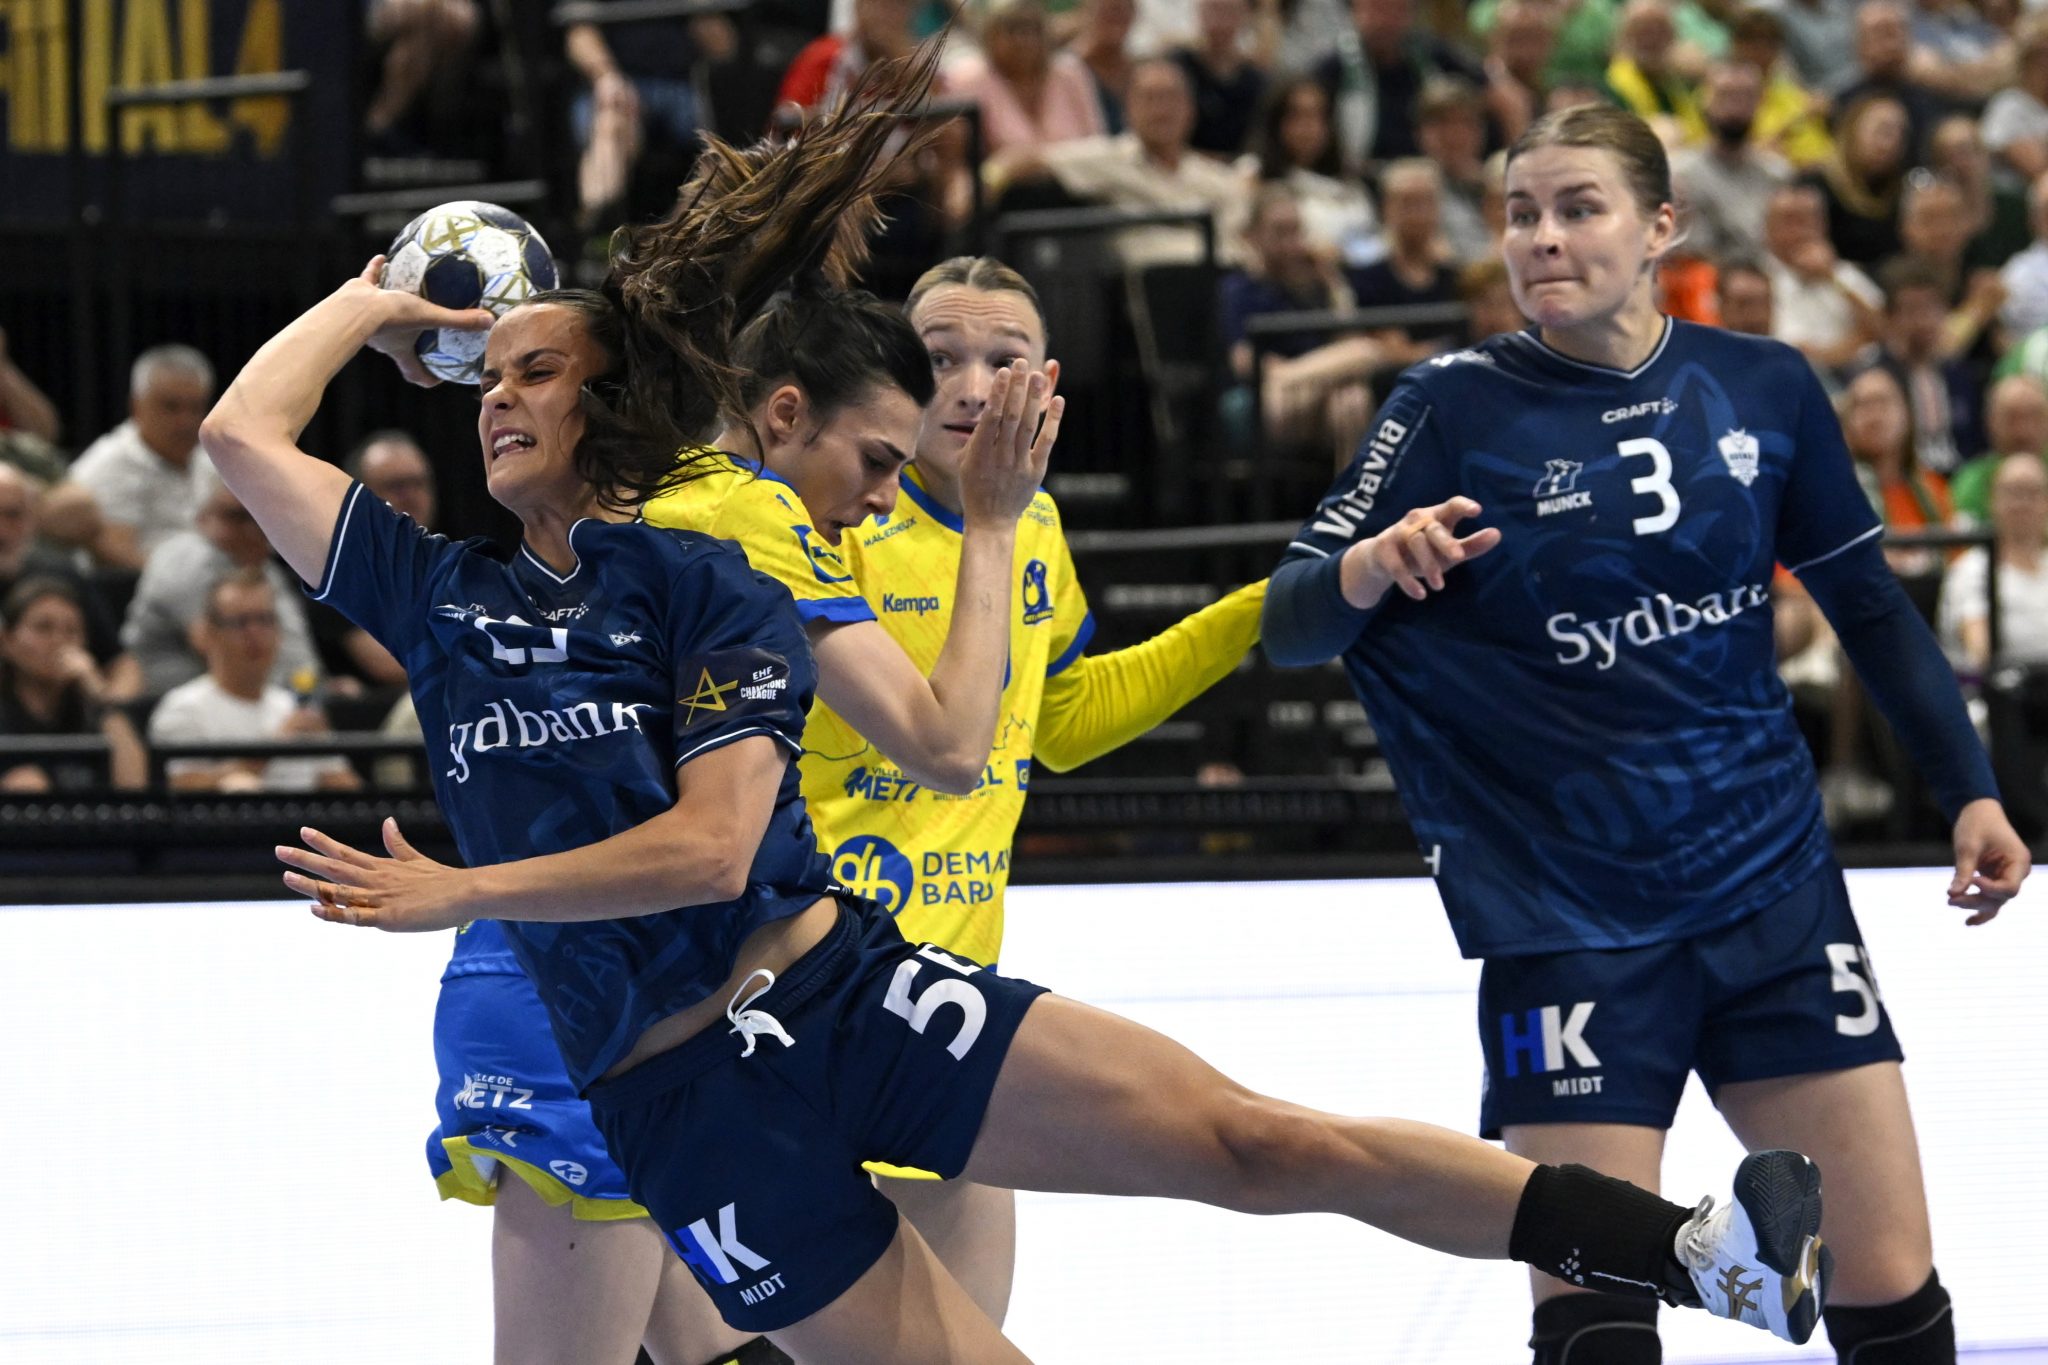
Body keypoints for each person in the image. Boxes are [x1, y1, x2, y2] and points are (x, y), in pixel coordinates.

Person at [211, 59, 1831, 1362]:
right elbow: (241, 437)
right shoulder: (447, 598)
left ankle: (1696, 1250)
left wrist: (463, 890)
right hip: (679, 1094)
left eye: (535, 372)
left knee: (1252, 1141)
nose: (496, 395)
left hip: (843, 993)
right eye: (486, 376)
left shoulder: (713, 566)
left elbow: (728, 843)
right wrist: (384, 299)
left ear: (620, 405)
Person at [1262, 103, 2026, 1365]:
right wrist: (1364, 568)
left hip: (1771, 891)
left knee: (1891, 1301)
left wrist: (1969, 792)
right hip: (1566, 916)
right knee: (1594, 1325)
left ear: (1659, 226)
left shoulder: (1764, 383)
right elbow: (1286, 624)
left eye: (1578, 210)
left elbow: (1868, 606)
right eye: (1520, 214)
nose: (1541, 239)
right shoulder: (1445, 407)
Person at [146, 570, 358, 794]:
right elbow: (185, 791)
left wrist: (322, 744)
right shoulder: (183, 709)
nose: (255, 634)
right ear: (210, 632)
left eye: (265, 620)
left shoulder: (295, 709)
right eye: (241, 622)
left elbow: (349, 795)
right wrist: (276, 746)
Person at [59, 344, 215, 570]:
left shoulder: (209, 459)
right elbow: (116, 553)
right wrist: (181, 582)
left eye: (196, 407)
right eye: (171, 407)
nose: (186, 421)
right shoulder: (110, 465)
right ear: (136, 406)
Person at [0, 577, 146, 793]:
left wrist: (99, 693)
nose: (59, 640)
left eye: (72, 630)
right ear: (6, 641)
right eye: (43, 628)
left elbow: (133, 786)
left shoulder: (91, 709)